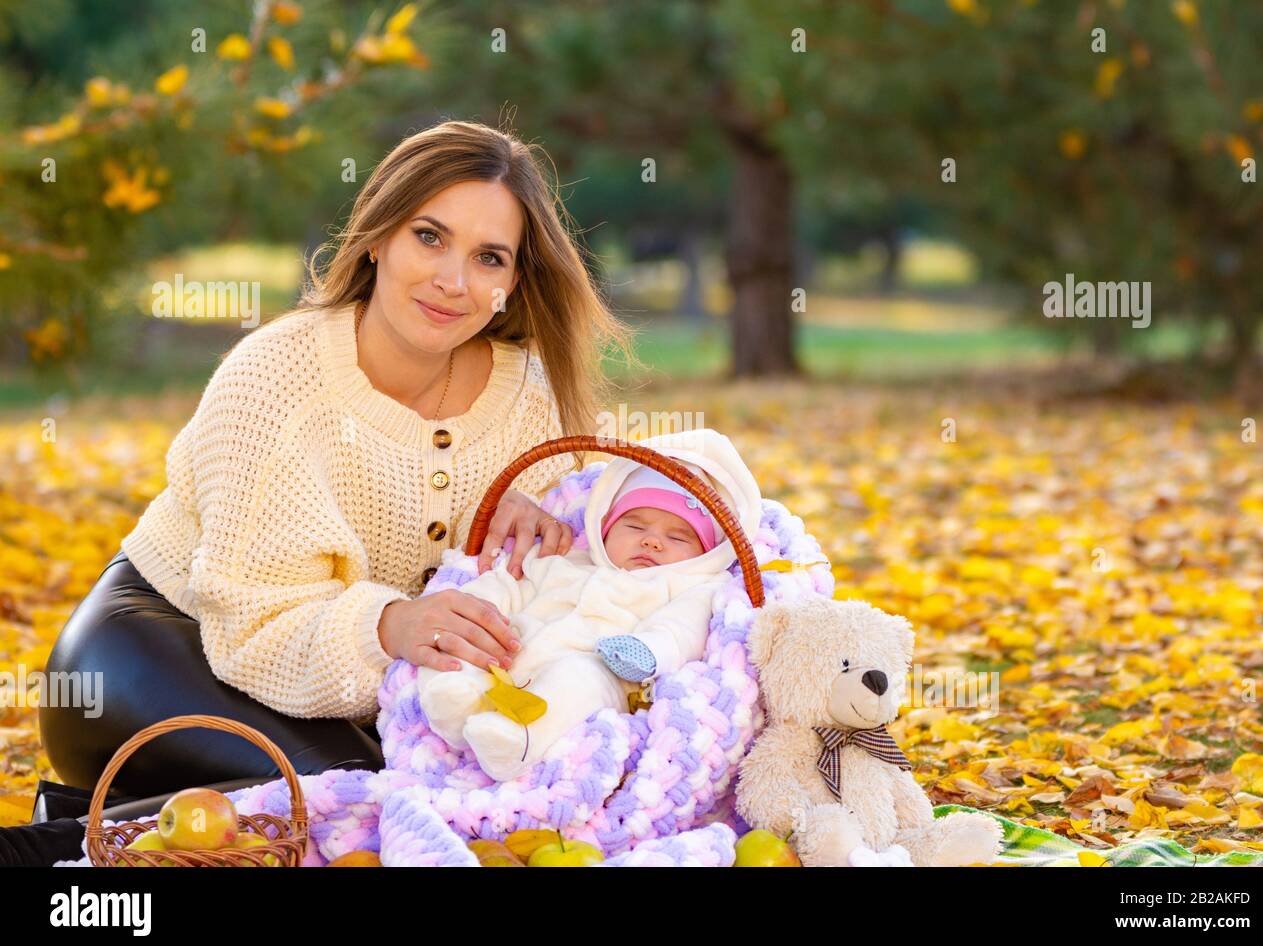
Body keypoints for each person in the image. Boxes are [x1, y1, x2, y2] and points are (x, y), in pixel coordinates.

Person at [35, 119, 634, 831]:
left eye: (489, 257)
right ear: (378, 236)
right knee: (363, 798)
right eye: (429, 236)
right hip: (153, 650)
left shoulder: (534, 400)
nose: (452, 280)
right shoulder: (275, 379)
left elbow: (584, 588)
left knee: (455, 800)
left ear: (513, 282)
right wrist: (392, 623)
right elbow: (249, 627)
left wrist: (553, 532)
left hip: (355, 696)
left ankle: (89, 822)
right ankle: (47, 854)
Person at [416, 428, 761, 782]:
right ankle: (455, 704)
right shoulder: (567, 560)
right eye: (634, 525)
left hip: (602, 667)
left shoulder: (692, 585)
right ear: (604, 529)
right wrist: (479, 604)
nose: (652, 541)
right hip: (510, 653)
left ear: (705, 552)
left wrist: (647, 650)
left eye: (677, 536)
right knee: (462, 644)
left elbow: (683, 629)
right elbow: (509, 583)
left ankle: (516, 740)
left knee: (577, 680)